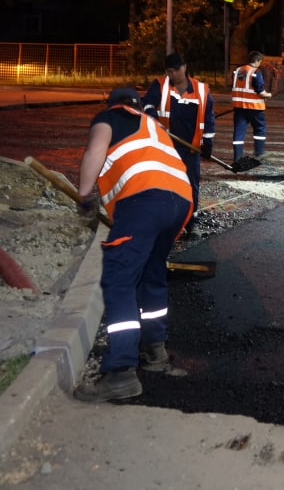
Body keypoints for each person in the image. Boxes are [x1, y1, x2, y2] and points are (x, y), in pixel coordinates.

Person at [73, 87, 193, 402]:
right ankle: (156, 352)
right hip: (179, 200)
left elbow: (95, 152)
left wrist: (84, 194)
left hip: (144, 200)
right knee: (152, 274)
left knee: (119, 277)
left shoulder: (109, 117)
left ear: (114, 105)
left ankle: (122, 372)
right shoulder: (153, 124)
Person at [143, 52, 215, 236]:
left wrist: (208, 143)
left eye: (175, 70)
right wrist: (152, 117)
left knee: (191, 186)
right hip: (166, 148)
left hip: (191, 149)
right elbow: (148, 104)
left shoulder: (201, 90)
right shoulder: (160, 85)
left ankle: (191, 223)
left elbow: (208, 118)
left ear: (184, 67)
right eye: (169, 71)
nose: (172, 75)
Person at [230, 50, 272, 164]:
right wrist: (268, 94)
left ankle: (237, 157)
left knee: (238, 132)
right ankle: (259, 152)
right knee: (259, 128)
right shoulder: (255, 72)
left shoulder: (237, 71)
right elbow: (260, 90)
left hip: (239, 107)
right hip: (254, 107)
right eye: (260, 62)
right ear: (257, 61)